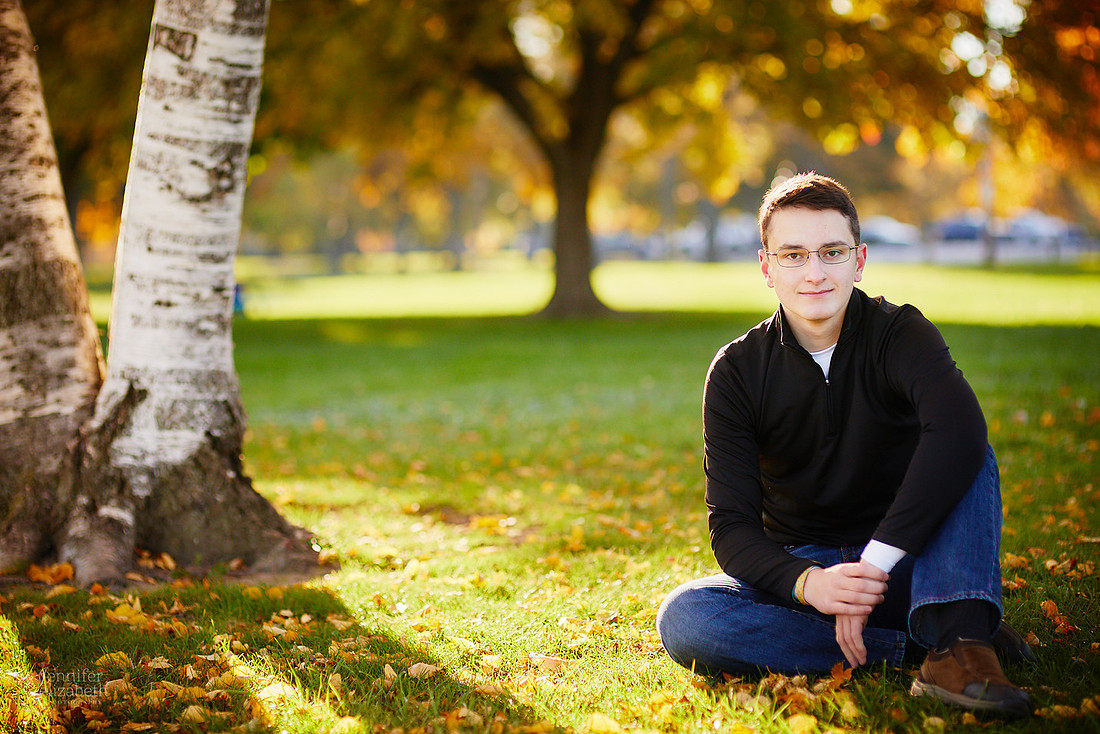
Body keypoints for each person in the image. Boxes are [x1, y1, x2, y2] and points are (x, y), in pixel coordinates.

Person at [656, 172, 1034, 718]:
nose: (814, 273)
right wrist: (810, 585)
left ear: (858, 260)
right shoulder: (737, 371)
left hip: (905, 561)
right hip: (806, 569)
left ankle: (956, 644)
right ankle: (931, 642)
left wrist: (876, 565)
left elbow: (961, 435)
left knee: (967, 449)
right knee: (688, 617)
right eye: (793, 255)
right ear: (767, 267)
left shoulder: (899, 333)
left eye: (831, 252)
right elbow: (732, 528)